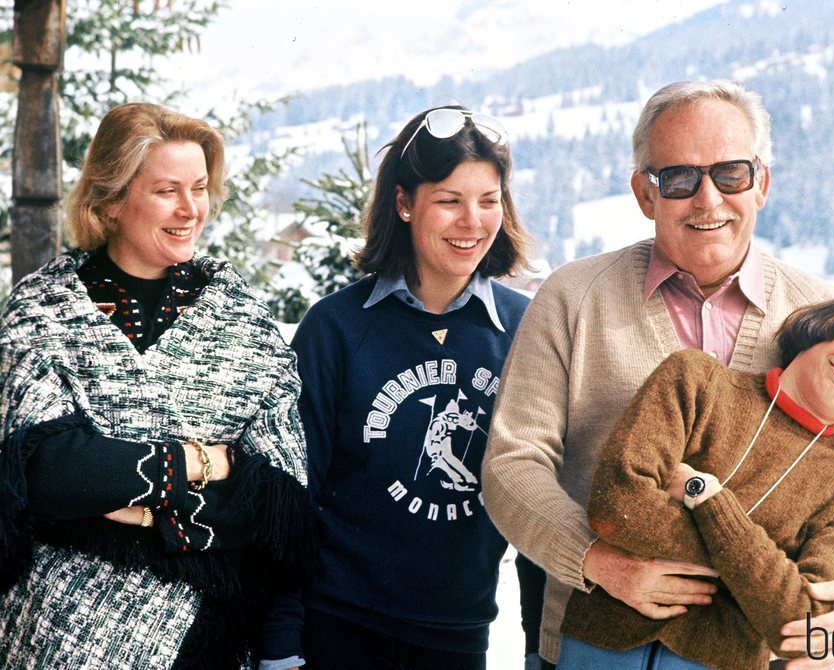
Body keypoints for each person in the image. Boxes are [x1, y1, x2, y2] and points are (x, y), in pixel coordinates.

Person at [482, 79, 834, 670]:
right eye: (680, 179)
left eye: (731, 174)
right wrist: (597, 559)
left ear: (762, 183)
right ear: (646, 193)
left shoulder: (824, 320)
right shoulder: (574, 297)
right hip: (590, 638)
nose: (708, 199)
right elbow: (514, 462)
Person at [0, 102, 317, 669]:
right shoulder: (42, 309)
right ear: (112, 199)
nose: (190, 209)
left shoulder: (243, 321)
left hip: (202, 644)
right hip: (50, 636)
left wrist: (144, 509)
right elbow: (43, 472)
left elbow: (277, 509)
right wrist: (203, 462)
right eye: (168, 190)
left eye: (199, 188)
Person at [262, 106, 533, 670]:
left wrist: (540, 648)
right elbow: (289, 498)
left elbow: (539, 498)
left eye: (489, 201)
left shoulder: (526, 329)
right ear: (405, 203)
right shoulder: (335, 329)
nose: (473, 221)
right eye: (450, 200)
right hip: (338, 631)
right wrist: (280, 644)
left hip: (458, 634)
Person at [557, 286, 834, 669]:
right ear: (825, 328)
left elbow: (803, 623)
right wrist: (758, 582)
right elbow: (615, 504)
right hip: (597, 645)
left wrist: (706, 496)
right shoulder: (696, 381)